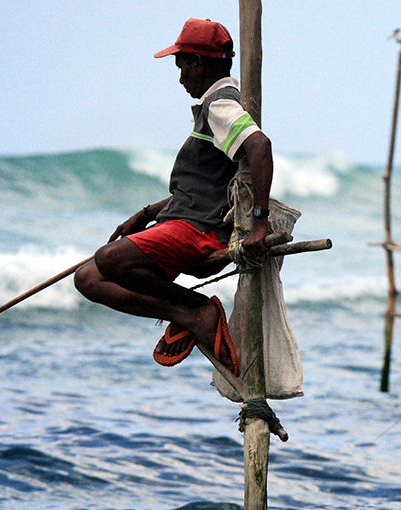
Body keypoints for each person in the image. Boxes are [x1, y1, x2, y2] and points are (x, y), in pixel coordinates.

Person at [74, 18, 274, 379]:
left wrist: (259, 223)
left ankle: (195, 311)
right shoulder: (214, 107)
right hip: (182, 221)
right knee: (88, 277)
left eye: (182, 66)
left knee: (108, 259)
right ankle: (185, 312)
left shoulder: (219, 105)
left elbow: (259, 146)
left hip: (200, 232)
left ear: (198, 63)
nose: (181, 77)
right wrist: (146, 213)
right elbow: (205, 185)